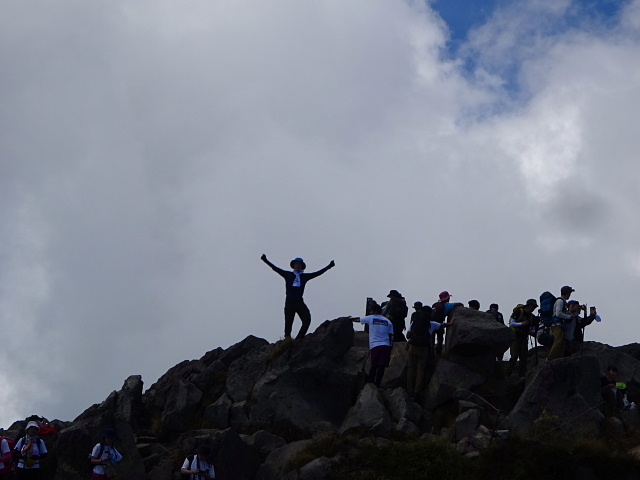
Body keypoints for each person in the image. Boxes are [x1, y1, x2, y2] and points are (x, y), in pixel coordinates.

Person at [261, 254, 335, 339]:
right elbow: (275, 268)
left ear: (302, 266)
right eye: (296, 264)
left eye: (300, 264)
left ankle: (299, 338)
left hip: (299, 302)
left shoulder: (304, 277)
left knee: (307, 319)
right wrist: (265, 260)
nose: (298, 266)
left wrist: (329, 266)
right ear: (294, 265)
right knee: (289, 322)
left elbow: (318, 273)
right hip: (289, 302)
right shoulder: (288, 275)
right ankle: (287, 339)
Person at [406, 303, 454, 399]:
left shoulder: (415, 322)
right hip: (424, 349)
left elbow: (408, 335)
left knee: (411, 368)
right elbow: (444, 325)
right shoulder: (431, 324)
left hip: (413, 347)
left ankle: (409, 390)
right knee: (421, 370)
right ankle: (417, 392)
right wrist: (452, 322)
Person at [352, 303, 394, 387]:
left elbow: (358, 319)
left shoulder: (371, 318)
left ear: (374, 311)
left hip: (375, 345)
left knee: (374, 365)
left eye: (371, 311)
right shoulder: (388, 321)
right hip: (386, 345)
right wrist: (390, 346)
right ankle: (378, 383)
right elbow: (391, 335)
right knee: (382, 366)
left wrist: (350, 319)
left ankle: (370, 383)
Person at [505, 299, 538, 377]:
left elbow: (533, 329)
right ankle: (507, 374)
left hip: (524, 337)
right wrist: (522, 324)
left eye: (534, 307)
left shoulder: (532, 317)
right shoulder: (519, 312)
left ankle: (522, 376)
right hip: (515, 336)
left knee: (523, 358)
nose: (533, 308)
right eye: (533, 306)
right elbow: (512, 323)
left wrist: (532, 331)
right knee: (514, 356)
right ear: (529, 306)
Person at [547, 286, 577, 361]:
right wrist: (569, 317)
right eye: (569, 293)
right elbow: (558, 313)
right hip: (556, 325)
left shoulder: (562, 301)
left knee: (561, 343)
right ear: (567, 293)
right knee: (558, 340)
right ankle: (551, 358)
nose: (570, 295)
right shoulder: (560, 301)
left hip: (559, 325)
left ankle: (558, 358)